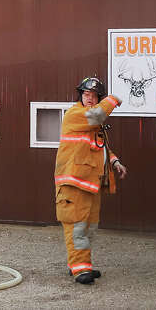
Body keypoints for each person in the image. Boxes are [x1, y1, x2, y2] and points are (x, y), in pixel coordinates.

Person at [54, 76, 127, 285]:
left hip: (91, 185)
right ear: (81, 95)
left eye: (94, 96)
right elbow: (97, 115)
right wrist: (114, 98)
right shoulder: (76, 114)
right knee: (77, 228)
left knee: (89, 229)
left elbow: (100, 148)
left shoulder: (93, 126)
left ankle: (82, 264)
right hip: (73, 184)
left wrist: (114, 161)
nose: (90, 98)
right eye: (87, 94)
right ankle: (80, 269)